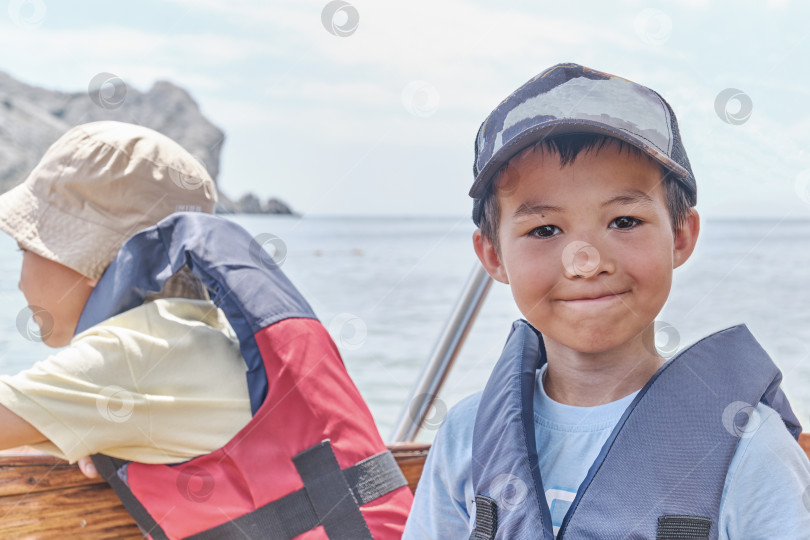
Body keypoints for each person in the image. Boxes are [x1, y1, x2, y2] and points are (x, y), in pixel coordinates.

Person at [403, 63, 810, 539]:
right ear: (493, 256)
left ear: (681, 236)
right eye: (544, 230)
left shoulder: (749, 448)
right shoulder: (465, 438)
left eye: (624, 221)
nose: (585, 262)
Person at [0, 121, 412, 538]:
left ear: (84, 260)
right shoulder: (205, 334)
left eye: (24, 248)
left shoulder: (135, 352)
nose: (18, 280)